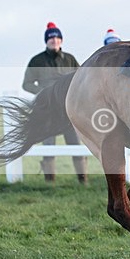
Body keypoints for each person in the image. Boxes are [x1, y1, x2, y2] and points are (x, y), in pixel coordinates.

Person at [22, 22, 88, 184]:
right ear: (46, 40)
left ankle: (83, 181)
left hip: (68, 110)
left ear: (61, 40)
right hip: (47, 110)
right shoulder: (36, 61)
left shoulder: (70, 59)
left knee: (75, 145)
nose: (54, 40)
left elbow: (80, 80)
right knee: (48, 147)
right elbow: (27, 84)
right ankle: (49, 182)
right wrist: (44, 93)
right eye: (51, 38)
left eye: (57, 37)